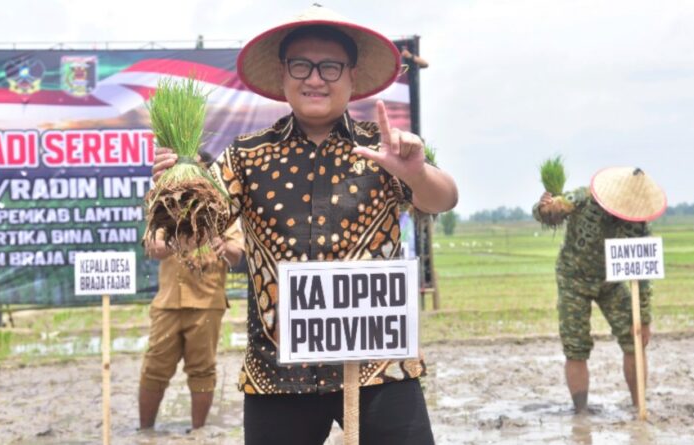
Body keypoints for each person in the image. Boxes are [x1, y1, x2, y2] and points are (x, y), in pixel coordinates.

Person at [152, 5, 458, 444]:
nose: (315, 79)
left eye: (330, 67)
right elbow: (192, 231)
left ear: (352, 76)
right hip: (278, 373)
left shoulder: (384, 148)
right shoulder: (246, 156)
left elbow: (443, 198)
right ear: (283, 74)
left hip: (379, 365)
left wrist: (416, 173)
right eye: (301, 65)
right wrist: (175, 190)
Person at [533, 167, 666, 414]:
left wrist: (644, 319)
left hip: (611, 284)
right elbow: (550, 213)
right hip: (574, 279)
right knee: (576, 346)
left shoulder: (637, 225)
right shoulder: (582, 198)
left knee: (635, 339)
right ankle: (581, 411)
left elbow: (643, 275)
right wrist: (546, 209)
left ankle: (639, 406)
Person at [138, 216, 244, 431]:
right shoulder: (167, 208)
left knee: (203, 370)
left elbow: (237, 255)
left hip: (207, 301)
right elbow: (152, 247)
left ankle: (197, 433)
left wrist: (222, 246)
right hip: (168, 301)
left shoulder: (221, 211)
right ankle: (145, 431)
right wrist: (180, 243)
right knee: (154, 367)